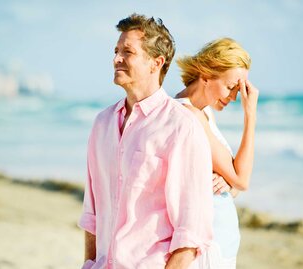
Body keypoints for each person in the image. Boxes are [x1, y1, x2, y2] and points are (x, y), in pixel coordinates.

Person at [78, 14, 214, 269]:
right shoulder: (102, 124)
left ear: (156, 63)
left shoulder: (181, 127)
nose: (116, 58)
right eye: (116, 50)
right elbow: (92, 217)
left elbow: (191, 234)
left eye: (127, 52)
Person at [175, 38, 259, 268]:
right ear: (205, 75)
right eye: (231, 87)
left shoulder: (204, 113)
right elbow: (242, 180)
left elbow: (233, 183)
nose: (234, 97)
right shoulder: (189, 115)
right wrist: (250, 114)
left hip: (219, 247)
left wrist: (227, 182)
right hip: (206, 250)